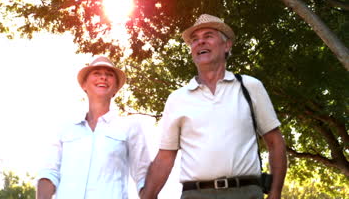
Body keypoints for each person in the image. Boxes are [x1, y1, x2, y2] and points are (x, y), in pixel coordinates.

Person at [141, 14, 287, 199]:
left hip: (246, 193)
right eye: (195, 40)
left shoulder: (249, 87)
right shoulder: (177, 99)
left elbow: (275, 143)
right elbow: (165, 157)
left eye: (208, 36)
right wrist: (147, 196)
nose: (200, 42)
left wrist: (275, 193)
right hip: (195, 195)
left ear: (226, 46)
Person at [37, 56, 151, 199]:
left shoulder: (130, 127)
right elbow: (49, 173)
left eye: (109, 75)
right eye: (96, 73)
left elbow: (144, 176)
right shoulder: (65, 129)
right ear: (84, 85)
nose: (103, 77)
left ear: (115, 88)